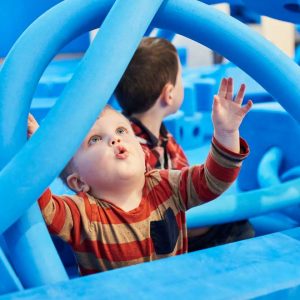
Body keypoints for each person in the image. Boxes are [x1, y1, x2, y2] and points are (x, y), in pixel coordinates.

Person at [28, 78, 252, 275]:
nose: (115, 140)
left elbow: (213, 181)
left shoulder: (167, 186)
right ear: (78, 182)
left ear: (142, 151)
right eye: (95, 140)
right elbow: (42, 205)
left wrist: (226, 134)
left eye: (121, 131)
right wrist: (37, 155)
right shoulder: (82, 213)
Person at [114, 37, 255, 251]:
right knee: (240, 228)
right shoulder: (135, 150)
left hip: (178, 218)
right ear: (169, 94)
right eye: (181, 76)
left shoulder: (153, 136)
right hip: (167, 237)